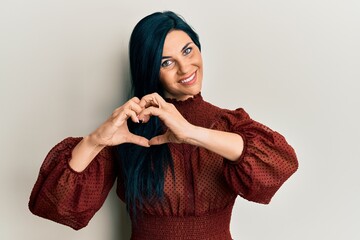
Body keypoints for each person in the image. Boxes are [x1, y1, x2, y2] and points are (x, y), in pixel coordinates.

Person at [29, 11, 298, 240]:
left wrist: (191, 133)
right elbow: (55, 206)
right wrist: (96, 139)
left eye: (188, 50)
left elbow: (280, 165)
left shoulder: (229, 124)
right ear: (149, 70)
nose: (185, 67)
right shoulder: (128, 130)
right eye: (166, 62)